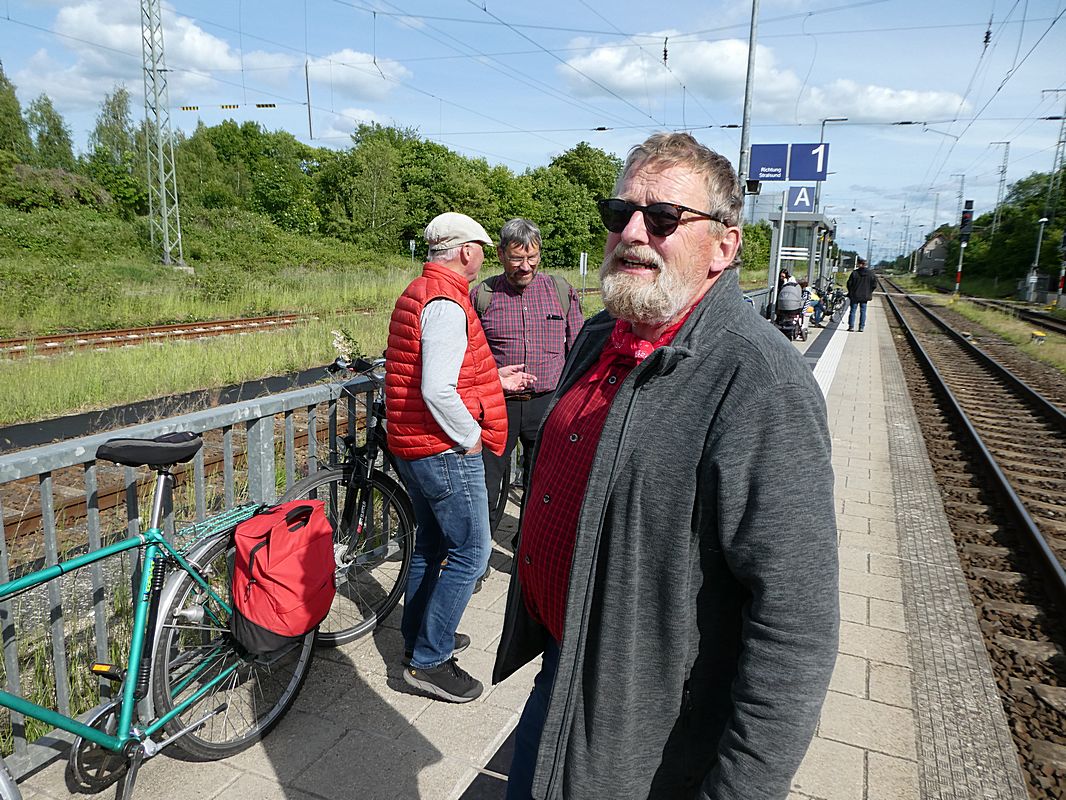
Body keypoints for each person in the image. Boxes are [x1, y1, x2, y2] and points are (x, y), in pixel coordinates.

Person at [492, 133, 839, 800]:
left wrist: (739, 789)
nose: (631, 232)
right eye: (619, 212)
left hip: (648, 727)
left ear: (724, 247)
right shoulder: (600, 334)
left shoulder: (760, 383)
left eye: (662, 218)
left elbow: (796, 623)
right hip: (564, 665)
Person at [385, 211, 533, 704]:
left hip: (415, 445)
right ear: (466, 251)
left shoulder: (420, 290)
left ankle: (421, 637)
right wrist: (470, 437)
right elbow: (437, 388)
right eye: (482, 249)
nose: (485, 257)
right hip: (444, 448)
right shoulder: (448, 302)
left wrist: (494, 380)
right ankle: (430, 660)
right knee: (472, 553)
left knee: (431, 545)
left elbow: (442, 371)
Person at [472, 218, 584, 552]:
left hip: (547, 405)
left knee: (543, 487)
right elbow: (468, 356)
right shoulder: (482, 296)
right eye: (517, 258)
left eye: (532, 257)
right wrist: (492, 376)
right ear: (500, 254)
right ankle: (477, 557)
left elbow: (579, 351)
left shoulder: (560, 292)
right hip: (497, 405)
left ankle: (529, 550)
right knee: (486, 486)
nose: (526, 266)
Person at [847, 257, 876, 331]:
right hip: (865, 295)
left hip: (855, 295)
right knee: (863, 311)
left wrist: (851, 292)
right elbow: (874, 285)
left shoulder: (854, 273)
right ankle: (861, 327)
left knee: (853, 311)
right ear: (865, 264)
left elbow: (849, 284)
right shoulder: (871, 273)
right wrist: (869, 291)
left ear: (859, 264)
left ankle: (851, 327)